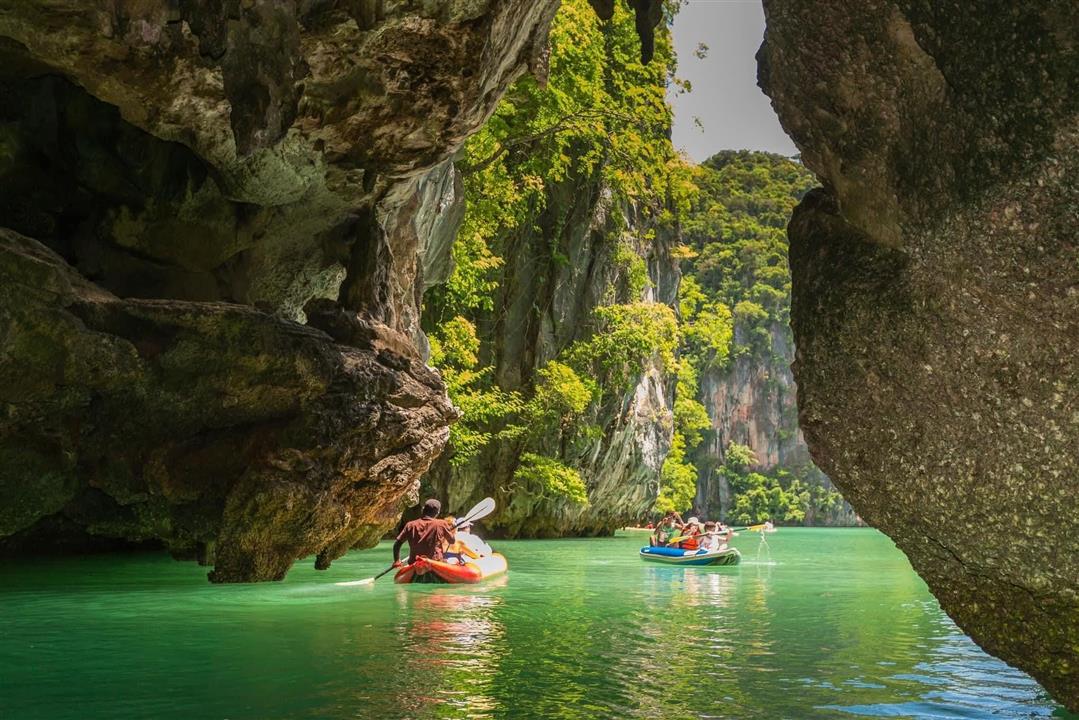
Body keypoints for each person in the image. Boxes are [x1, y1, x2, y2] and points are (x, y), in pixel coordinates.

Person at [393, 498, 455, 567]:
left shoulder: (410, 525)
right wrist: (449, 532)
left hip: (414, 563)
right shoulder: (442, 524)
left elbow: (397, 544)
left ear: (423, 510)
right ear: (437, 512)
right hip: (435, 564)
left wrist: (397, 560)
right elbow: (452, 541)